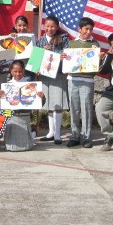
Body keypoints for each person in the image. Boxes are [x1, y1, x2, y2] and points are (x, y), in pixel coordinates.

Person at [65, 17, 100, 149]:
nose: (89, 31)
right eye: (86, 29)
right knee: (74, 109)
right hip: (73, 79)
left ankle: (86, 137)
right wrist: (64, 57)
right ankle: (74, 135)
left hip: (87, 80)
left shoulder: (95, 44)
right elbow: (67, 61)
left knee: (86, 109)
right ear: (79, 29)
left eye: (91, 29)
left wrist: (99, 59)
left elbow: (96, 66)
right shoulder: (71, 44)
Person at [0, 60, 44, 152]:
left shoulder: (30, 85)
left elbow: (38, 104)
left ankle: (31, 134)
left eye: (20, 71)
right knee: (10, 146)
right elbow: (0, 106)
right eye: (15, 71)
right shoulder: (7, 85)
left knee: (26, 146)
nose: (18, 74)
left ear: (24, 72)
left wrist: (42, 97)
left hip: (24, 116)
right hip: (10, 117)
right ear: (11, 71)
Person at [37, 15, 70, 145]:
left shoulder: (63, 39)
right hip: (45, 76)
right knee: (50, 104)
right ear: (44, 26)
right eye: (48, 26)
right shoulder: (40, 40)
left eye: (53, 26)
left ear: (57, 27)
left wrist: (58, 54)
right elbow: (36, 58)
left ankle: (57, 134)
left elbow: (67, 55)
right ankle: (51, 132)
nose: (50, 29)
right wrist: (41, 53)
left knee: (58, 105)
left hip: (58, 75)